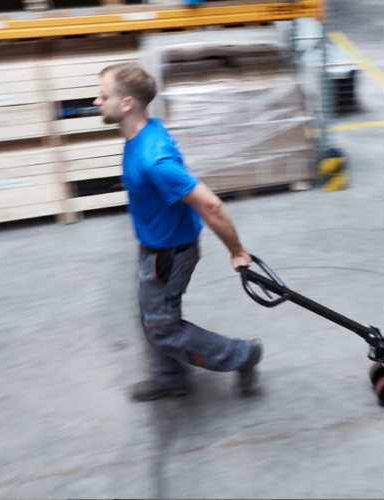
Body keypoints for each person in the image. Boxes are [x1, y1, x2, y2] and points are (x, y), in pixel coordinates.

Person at [93, 62, 262, 402]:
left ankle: (242, 355)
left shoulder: (153, 160)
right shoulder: (146, 130)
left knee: (162, 328)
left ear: (127, 103)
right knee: (151, 317)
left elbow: (211, 206)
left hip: (169, 255)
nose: (97, 101)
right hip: (157, 246)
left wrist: (237, 252)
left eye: (104, 95)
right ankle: (170, 377)